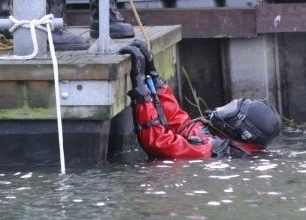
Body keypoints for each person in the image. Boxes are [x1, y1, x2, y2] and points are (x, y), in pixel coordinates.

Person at [120, 41, 282, 159]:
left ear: (243, 131)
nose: (222, 110)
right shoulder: (218, 139)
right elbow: (181, 125)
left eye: (232, 110)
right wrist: (154, 77)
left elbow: (159, 143)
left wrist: (141, 89)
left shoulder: (212, 149)